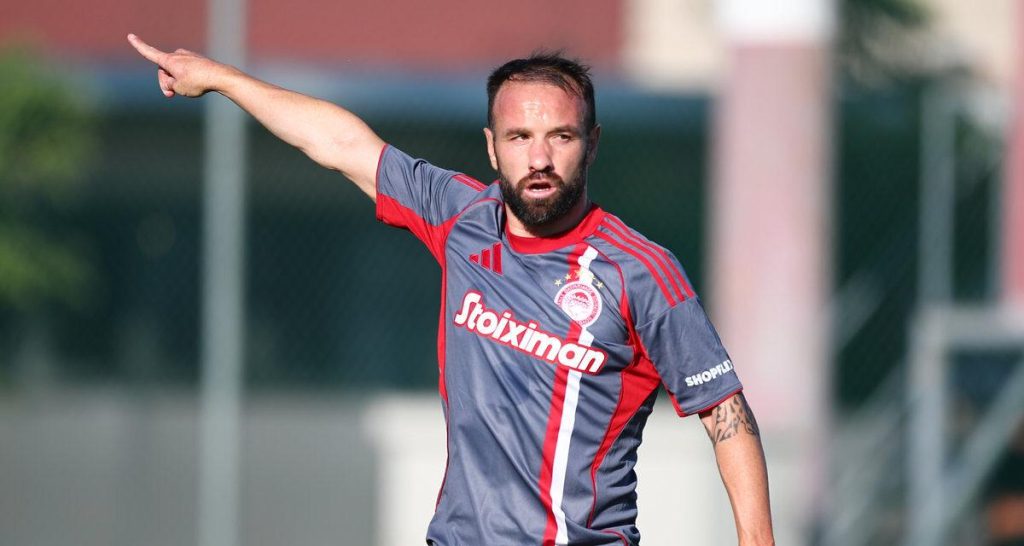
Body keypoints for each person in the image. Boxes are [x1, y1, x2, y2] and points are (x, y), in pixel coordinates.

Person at [127, 33, 774, 546]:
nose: (540, 159)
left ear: (592, 144)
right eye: (520, 138)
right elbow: (342, 144)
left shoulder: (640, 272)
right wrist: (223, 79)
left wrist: (756, 539)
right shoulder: (461, 219)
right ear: (492, 148)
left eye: (561, 136)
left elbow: (726, 414)